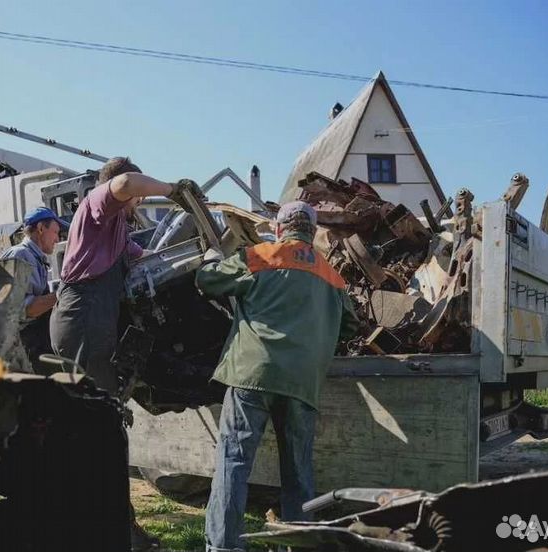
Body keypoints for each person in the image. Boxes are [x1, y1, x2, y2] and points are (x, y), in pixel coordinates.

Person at [197, 201, 359, 552]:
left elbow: (208, 281)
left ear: (280, 227)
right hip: (303, 383)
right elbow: (351, 324)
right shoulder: (331, 274)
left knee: (234, 464)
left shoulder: (261, 255)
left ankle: (224, 547)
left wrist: (211, 257)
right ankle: (300, 544)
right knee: (298, 472)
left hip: (252, 374)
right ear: (312, 231)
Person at [50, 156, 200, 394]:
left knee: (103, 401)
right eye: (137, 197)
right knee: (96, 406)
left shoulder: (115, 229)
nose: (139, 201)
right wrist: (172, 190)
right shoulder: (95, 202)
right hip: (83, 318)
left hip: (91, 319)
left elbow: (148, 255)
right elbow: (127, 182)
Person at [1, 206, 68, 371]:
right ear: (40, 228)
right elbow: (25, 309)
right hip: (23, 346)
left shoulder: (36, 258)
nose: (57, 239)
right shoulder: (19, 255)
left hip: (34, 341)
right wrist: (64, 294)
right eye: (55, 232)